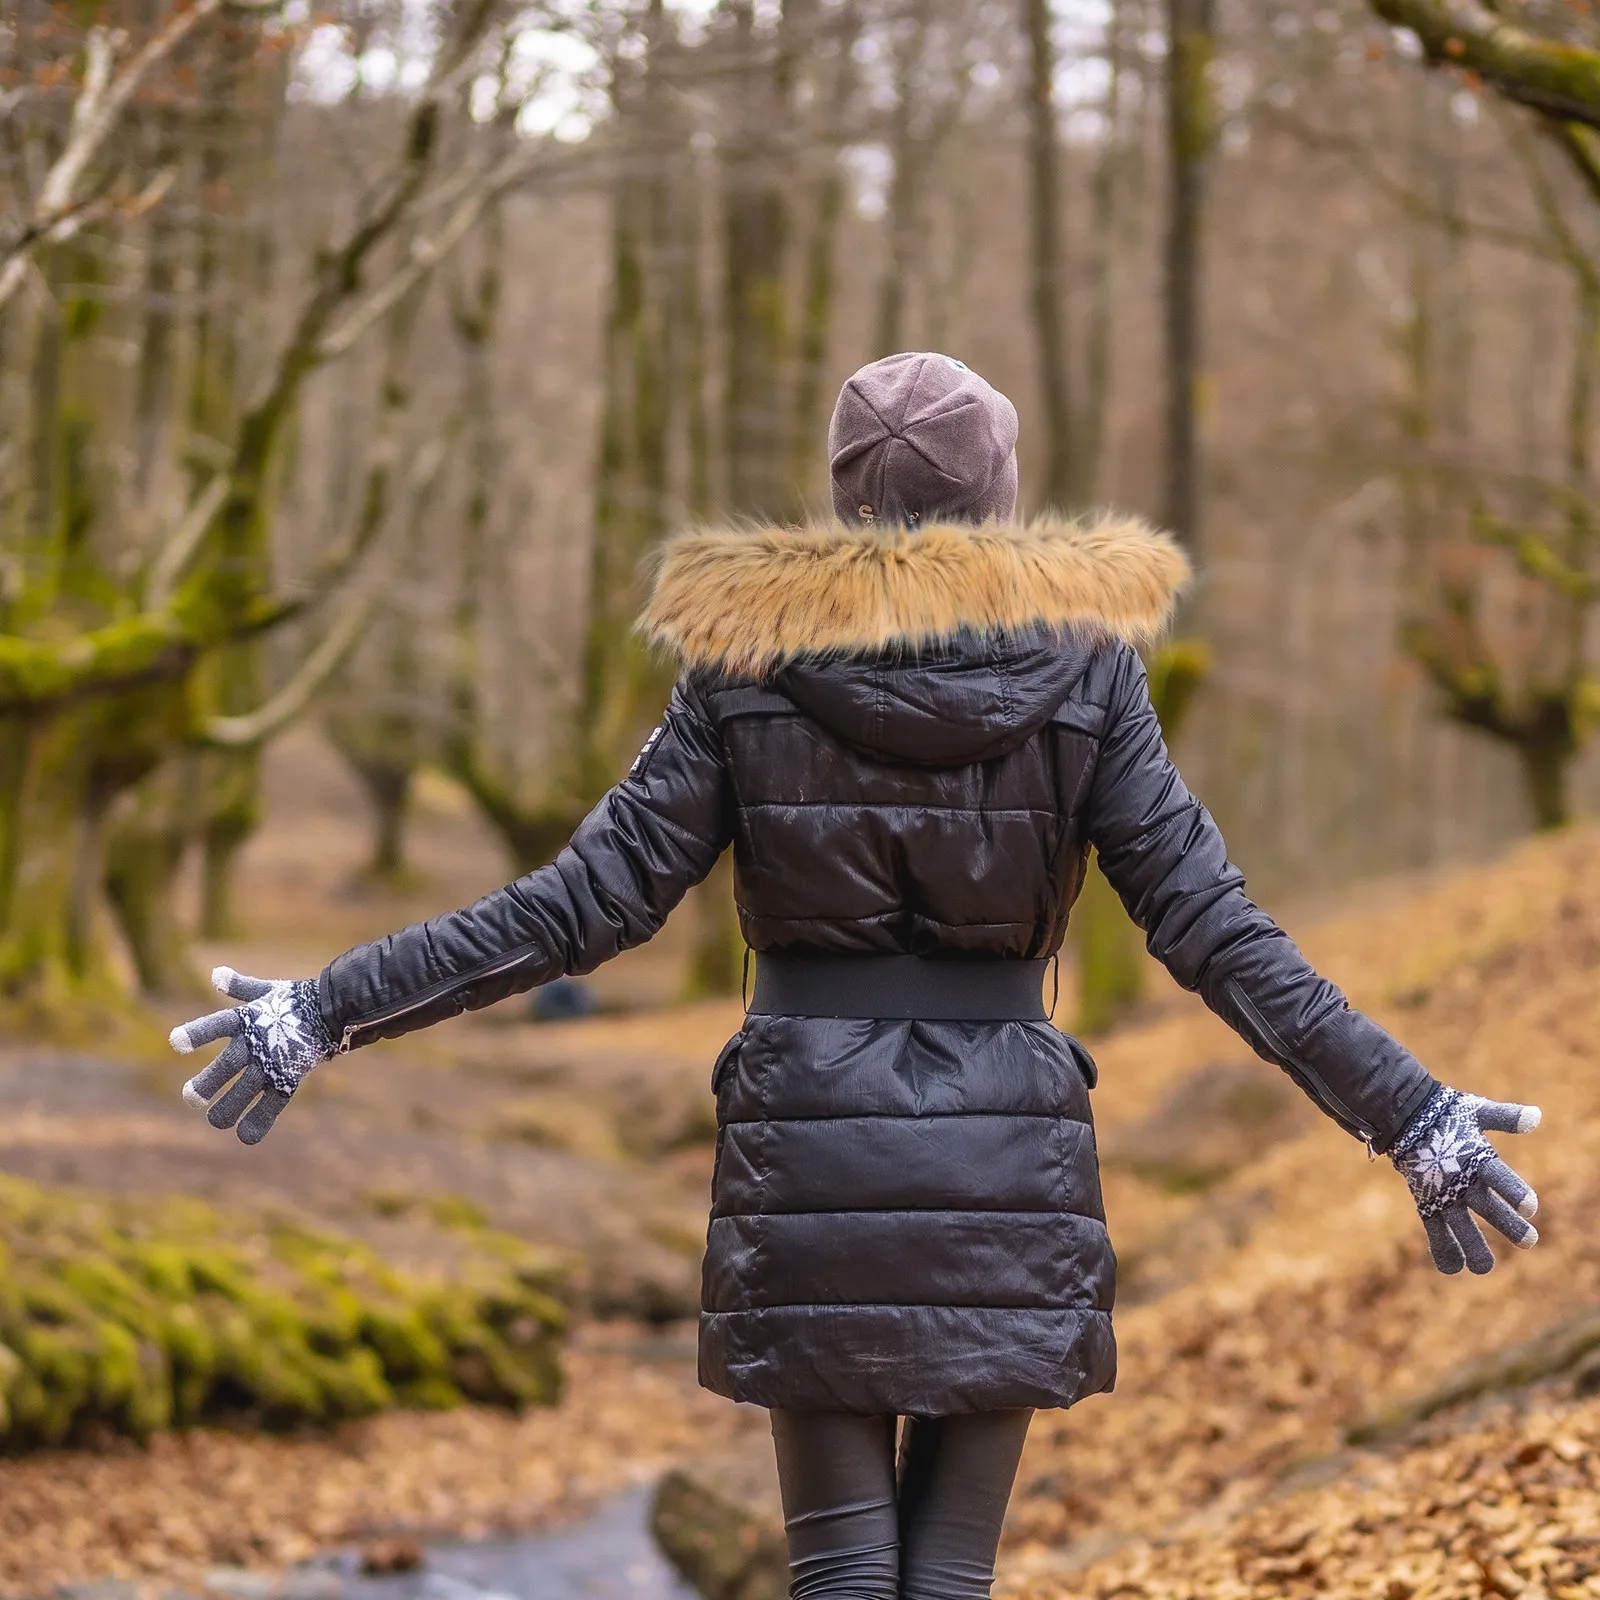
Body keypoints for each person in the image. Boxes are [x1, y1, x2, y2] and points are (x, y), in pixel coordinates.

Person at [171, 352, 1542, 1600]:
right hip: (1006, 1159)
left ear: (841, 498)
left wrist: (328, 1005)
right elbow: (1217, 935)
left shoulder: (743, 668)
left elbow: (580, 909)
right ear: (1000, 497)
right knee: (946, 1576)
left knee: (839, 1575)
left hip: (809, 1152)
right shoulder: (1091, 675)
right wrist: (1407, 1111)